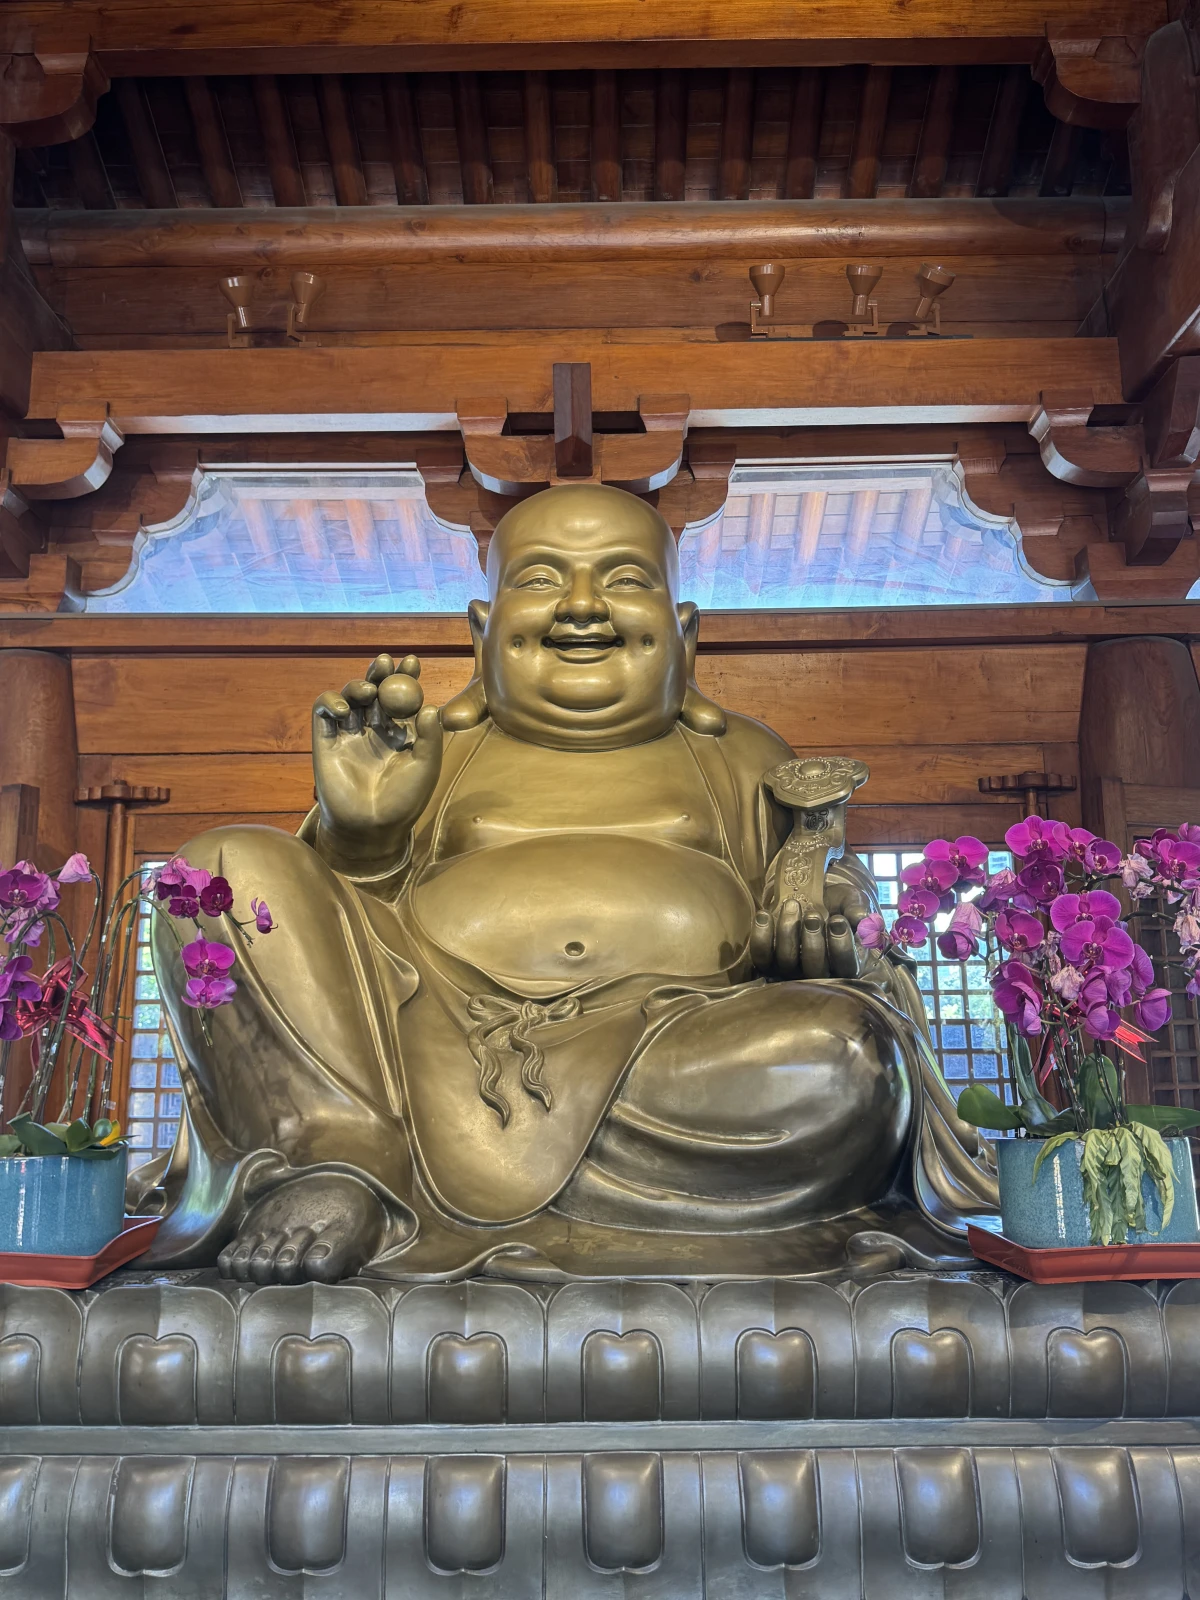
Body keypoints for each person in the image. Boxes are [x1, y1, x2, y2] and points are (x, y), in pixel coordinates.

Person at [138, 483, 997, 1282]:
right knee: (214, 871)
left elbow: (827, 888)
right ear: (482, 633)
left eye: (623, 580)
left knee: (847, 1058)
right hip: (425, 1054)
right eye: (543, 579)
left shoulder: (740, 756)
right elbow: (316, 961)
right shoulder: (429, 749)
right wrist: (361, 840)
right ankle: (342, 1165)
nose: (582, 607)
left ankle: (429, 1181)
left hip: (683, 1059)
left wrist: (827, 925)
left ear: (685, 634)